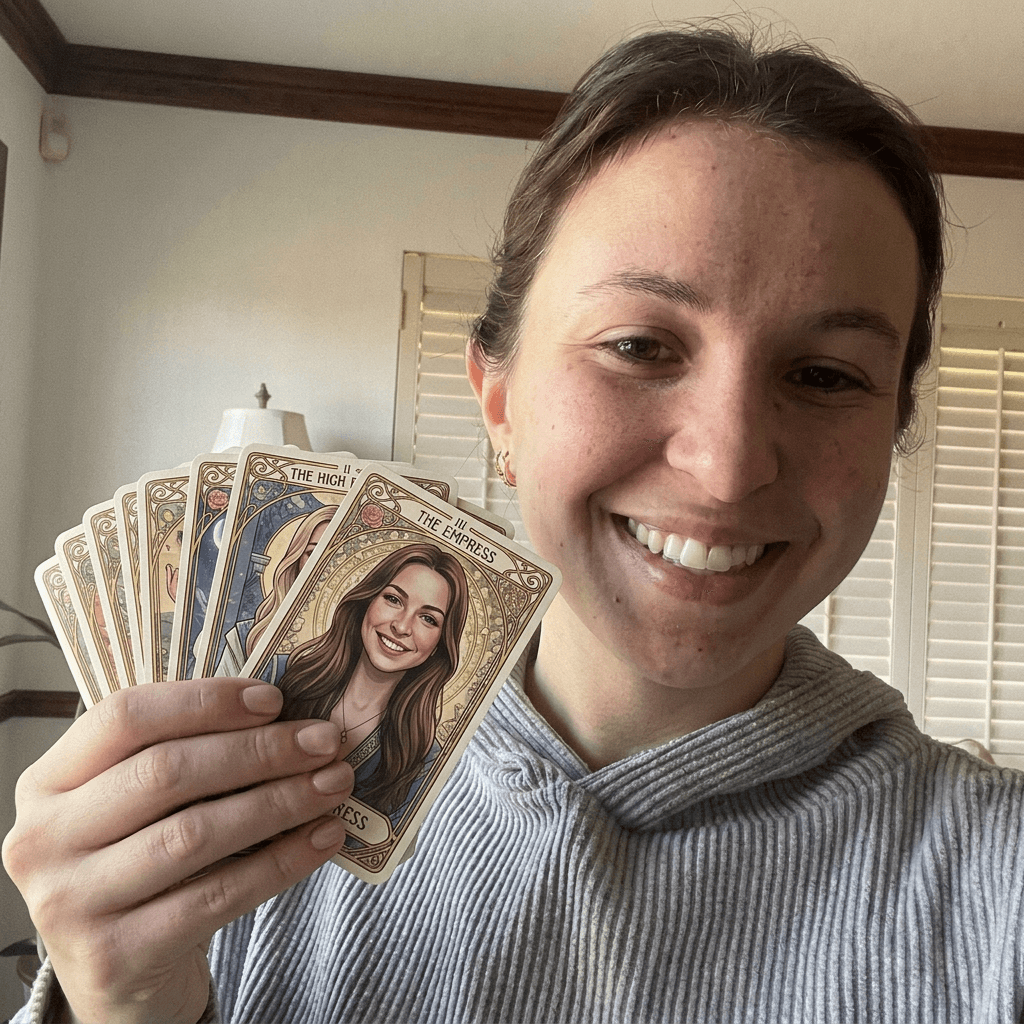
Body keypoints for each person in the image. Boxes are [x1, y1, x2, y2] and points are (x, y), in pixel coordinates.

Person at [5, 23, 1024, 1024]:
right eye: (638, 345)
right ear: (497, 402)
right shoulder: (235, 804)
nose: (724, 468)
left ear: (893, 425)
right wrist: (120, 1009)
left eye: (823, 374)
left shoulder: (999, 885)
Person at [275, 542, 469, 822]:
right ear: (367, 600)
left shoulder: (423, 759)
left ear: (440, 644)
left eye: (428, 619)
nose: (401, 627)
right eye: (393, 600)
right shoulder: (278, 674)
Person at [212, 504, 337, 677]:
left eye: (337, 556)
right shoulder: (245, 637)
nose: (322, 566)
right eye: (313, 553)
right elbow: (220, 699)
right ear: (297, 559)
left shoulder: (368, 643)